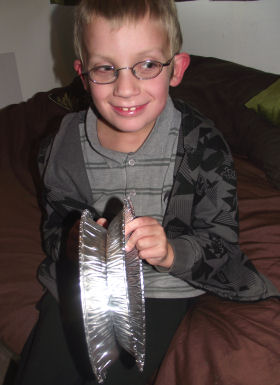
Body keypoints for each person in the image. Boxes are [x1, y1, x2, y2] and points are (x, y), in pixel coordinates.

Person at [15, 1, 278, 384]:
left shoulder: (202, 146)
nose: (125, 88)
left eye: (148, 65)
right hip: (80, 287)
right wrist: (74, 242)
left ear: (176, 69)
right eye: (106, 68)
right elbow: (56, 222)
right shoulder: (63, 144)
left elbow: (220, 241)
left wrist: (171, 250)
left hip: (163, 290)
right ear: (83, 76)